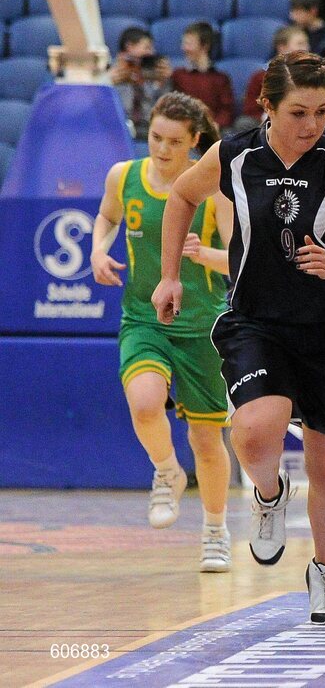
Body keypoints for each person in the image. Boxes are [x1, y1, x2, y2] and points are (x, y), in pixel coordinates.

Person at [152, 51, 325, 623]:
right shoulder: (234, 155)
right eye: (299, 112)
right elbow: (182, 196)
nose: (312, 125)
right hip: (258, 323)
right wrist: (169, 275)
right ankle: (268, 495)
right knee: (255, 433)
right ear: (267, 108)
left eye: (323, 112)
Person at [90, 92, 232, 572]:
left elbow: (242, 260)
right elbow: (108, 216)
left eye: (175, 141)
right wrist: (96, 251)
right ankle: (167, 472)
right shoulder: (123, 176)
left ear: (195, 142)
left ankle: (216, 531)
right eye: (155, 137)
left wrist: (204, 255)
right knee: (145, 402)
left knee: (208, 441)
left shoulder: (214, 191)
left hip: (202, 325)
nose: (163, 149)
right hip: (145, 316)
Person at [238, 25, 310, 132]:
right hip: (266, 122)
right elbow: (250, 109)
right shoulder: (260, 76)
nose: (306, 48)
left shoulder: (312, 76)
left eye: (306, 43)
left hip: (302, 120)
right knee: (244, 123)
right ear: (282, 47)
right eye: (300, 44)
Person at [110, 26, 172, 139]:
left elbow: (163, 105)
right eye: (147, 48)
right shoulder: (112, 71)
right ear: (130, 46)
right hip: (119, 127)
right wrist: (110, 82)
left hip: (149, 126)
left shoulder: (152, 71)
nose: (151, 52)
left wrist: (164, 82)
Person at [171, 21, 235, 129]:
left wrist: (215, 125)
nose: (184, 48)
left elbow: (226, 110)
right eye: (184, 43)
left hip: (212, 130)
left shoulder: (221, 78)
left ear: (205, 46)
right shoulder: (178, 75)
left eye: (189, 44)